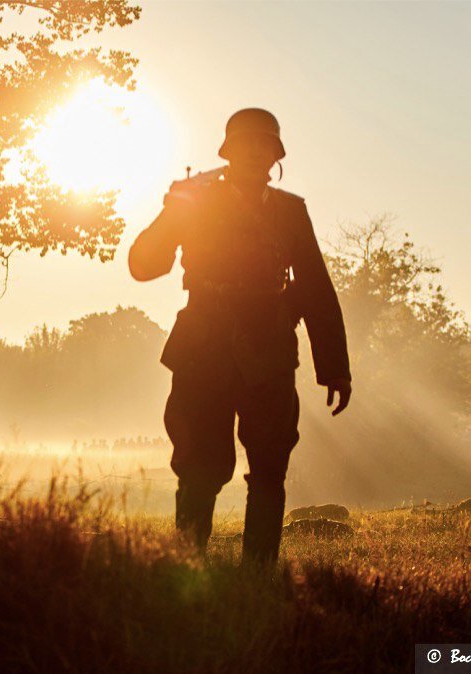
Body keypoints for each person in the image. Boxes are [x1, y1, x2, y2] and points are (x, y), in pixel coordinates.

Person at [127, 108, 352, 567]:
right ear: (227, 154)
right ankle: (187, 568)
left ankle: (259, 575)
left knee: (270, 467)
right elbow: (143, 266)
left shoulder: (291, 211)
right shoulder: (194, 200)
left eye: (264, 145)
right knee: (198, 467)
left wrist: (334, 368)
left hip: (269, 349)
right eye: (245, 145)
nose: (255, 153)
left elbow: (315, 289)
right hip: (201, 349)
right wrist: (173, 210)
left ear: (276, 156)